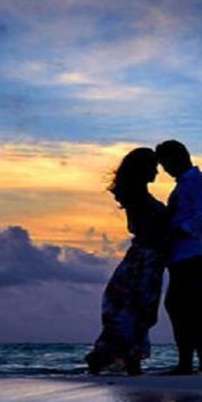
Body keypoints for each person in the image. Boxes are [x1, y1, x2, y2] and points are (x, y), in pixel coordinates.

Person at [85, 148, 169, 376]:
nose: (157, 172)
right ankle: (127, 359)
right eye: (153, 167)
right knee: (139, 308)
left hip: (144, 258)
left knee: (132, 307)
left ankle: (113, 357)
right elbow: (144, 229)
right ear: (143, 169)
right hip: (145, 260)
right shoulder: (139, 198)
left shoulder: (137, 196)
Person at [155, 140, 202, 375]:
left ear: (177, 158)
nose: (164, 169)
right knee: (180, 306)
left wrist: (176, 231)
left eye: (165, 163)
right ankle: (188, 363)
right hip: (180, 254)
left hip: (193, 252)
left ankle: (201, 365)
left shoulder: (201, 181)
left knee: (191, 309)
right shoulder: (183, 185)